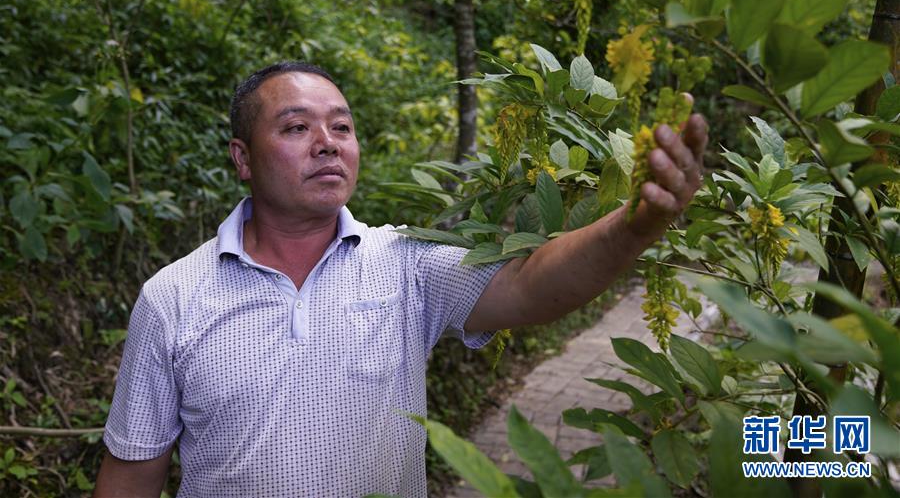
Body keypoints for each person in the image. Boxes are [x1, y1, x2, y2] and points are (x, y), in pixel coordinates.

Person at [93, 61, 707, 497]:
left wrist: (634, 227)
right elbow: (131, 475)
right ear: (243, 158)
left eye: (342, 126)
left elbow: (529, 287)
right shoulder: (174, 297)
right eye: (295, 127)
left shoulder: (405, 261)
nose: (327, 144)